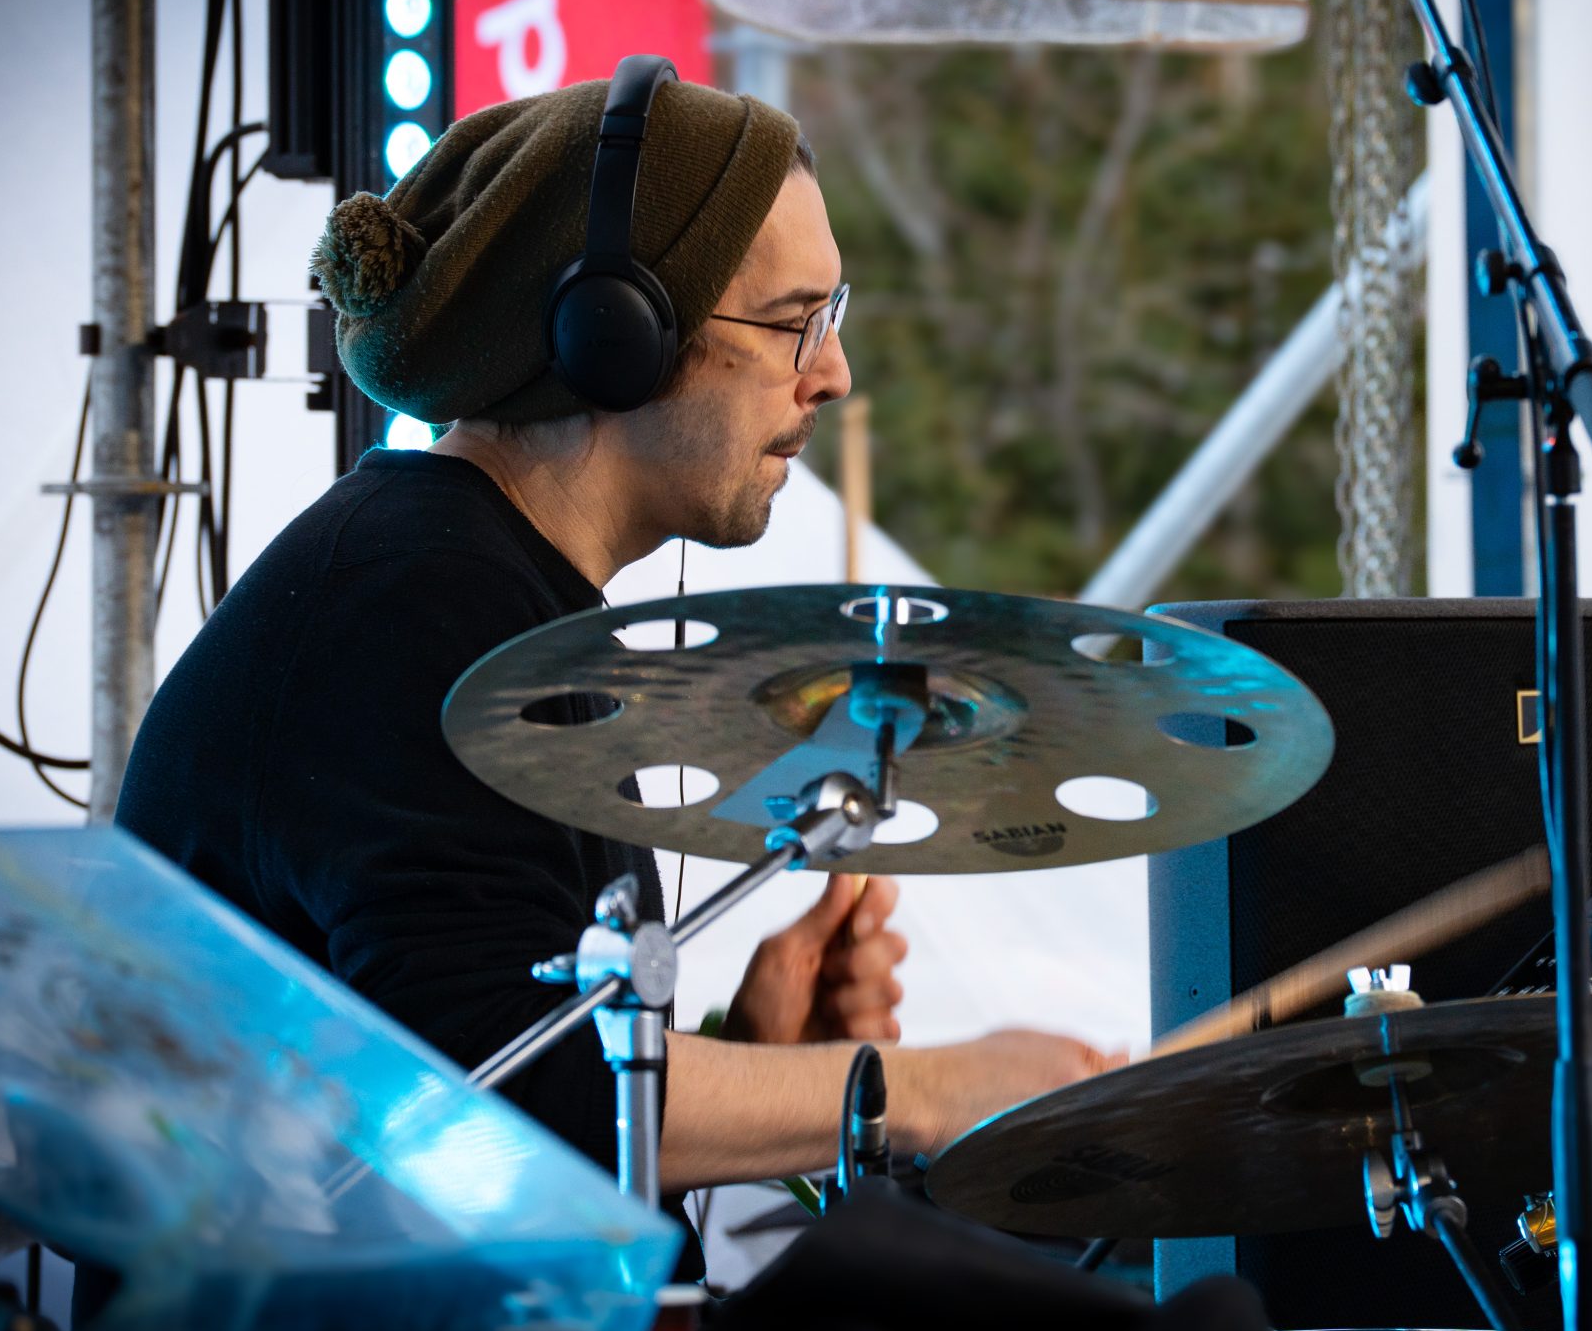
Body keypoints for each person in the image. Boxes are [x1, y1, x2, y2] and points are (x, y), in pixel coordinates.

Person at [117, 67, 1110, 1203]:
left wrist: (756, 1048)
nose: (832, 375)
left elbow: (522, 1080)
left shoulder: (486, 588)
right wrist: (914, 1088)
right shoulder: (417, 609)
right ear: (615, 336)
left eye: (831, 320)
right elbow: (503, 1113)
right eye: (794, 323)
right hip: (293, 1323)